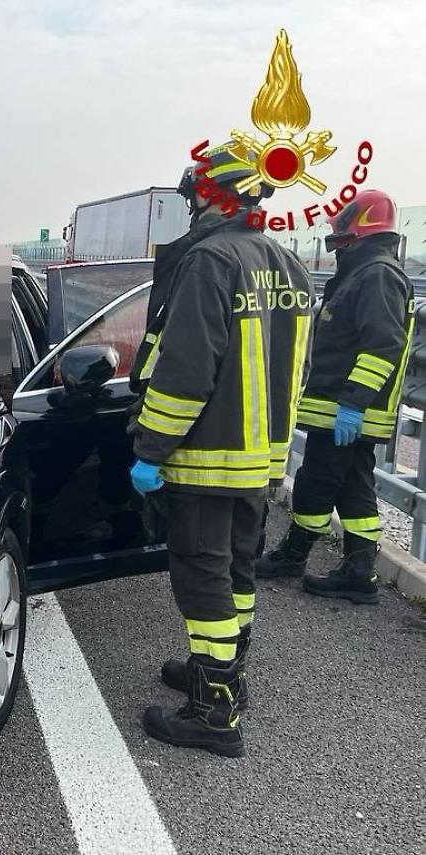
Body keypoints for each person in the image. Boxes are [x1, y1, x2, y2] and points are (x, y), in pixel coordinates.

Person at [129, 144, 314, 756]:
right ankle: (225, 674)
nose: (192, 206)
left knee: (202, 578)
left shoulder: (210, 260)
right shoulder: (288, 264)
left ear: (214, 194)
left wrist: (151, 449)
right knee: (236, 574)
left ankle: (214, 714)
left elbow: (184, 370)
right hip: (260, 460)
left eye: (195, 195)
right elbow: (296, 366)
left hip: (207, 456)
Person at [256, 190, 413, 604]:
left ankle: (293, 555)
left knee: (316, 482)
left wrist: (352, 403)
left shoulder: (375, 274)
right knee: (354, 486)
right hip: (348, 410)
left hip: (344, 409)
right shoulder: (369, 271)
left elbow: (383, 345)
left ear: (359, 229)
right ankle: (359, 571)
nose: (336, 240)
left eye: (343, 232)